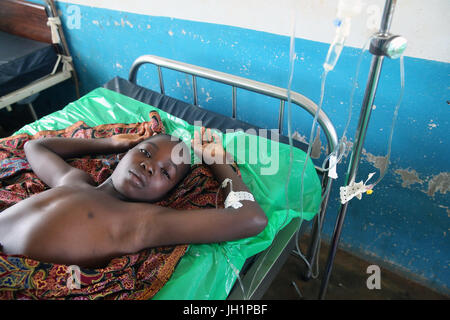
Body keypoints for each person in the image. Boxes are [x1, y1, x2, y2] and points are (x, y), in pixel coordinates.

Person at [0, 128, 267, 268]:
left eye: (165, 172)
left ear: (165, 194)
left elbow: (251, 218)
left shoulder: (141, 221)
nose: (149, 166)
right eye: (146, 152)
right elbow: (35, 146)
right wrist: (113, 143)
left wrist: (216, 161)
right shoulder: (75, 181)